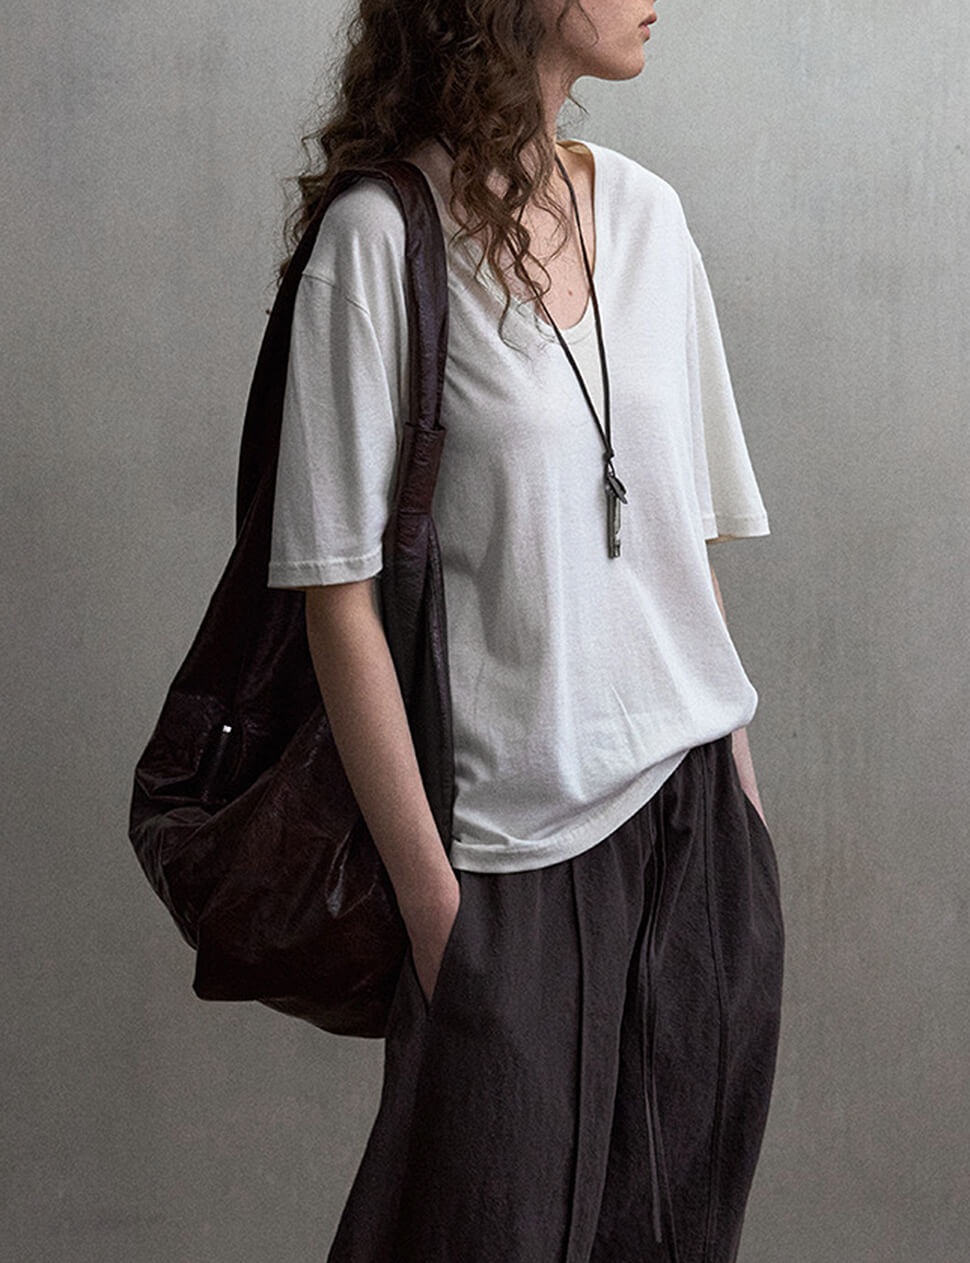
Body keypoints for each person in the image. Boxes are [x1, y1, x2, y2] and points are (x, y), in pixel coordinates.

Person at [266, 0, 785, 1258]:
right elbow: (337, 599)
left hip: (697, 834)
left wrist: (743, 802)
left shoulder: (651, 219)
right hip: (509, 858)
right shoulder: (380, 242)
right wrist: (435, 909)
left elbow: (682, 538)